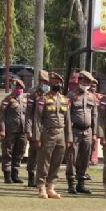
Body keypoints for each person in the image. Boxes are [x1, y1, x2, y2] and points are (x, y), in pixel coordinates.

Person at [33, 71, 70, 199]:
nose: (57, 84)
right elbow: (37, 119)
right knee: (44, 161)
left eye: (59, 82)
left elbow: (68, 120)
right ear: (50, 83)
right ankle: (41, 187)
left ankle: (51, 187)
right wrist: (37, 137)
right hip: (48, 133)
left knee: (57, 161)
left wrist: (69, 138)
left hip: (61, 134)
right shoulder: (43, 99)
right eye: (55, 82)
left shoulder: (64, 100)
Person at [66, 70, 98, 195]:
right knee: (72, 158)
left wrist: (95, 133)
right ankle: (71, 184)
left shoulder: (92, 97)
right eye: (84, 81)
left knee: (85, 158)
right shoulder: (71, 96)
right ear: (79, 81)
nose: (86, 83)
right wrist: (68, 134)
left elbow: (94, 115)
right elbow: (67, 117)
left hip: (88, 131)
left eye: (88, 82)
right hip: (75, 130)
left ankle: (81, 184)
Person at [24, 71, 49, 188]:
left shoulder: (51, 93)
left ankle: (43, 178)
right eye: (44, 81)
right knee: (33, 153)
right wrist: (28, 130)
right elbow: (28, 114)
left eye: (47, 82)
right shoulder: (33, 93)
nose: (45, 84)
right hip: (35, 128)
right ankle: (31, 177)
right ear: (40, 81)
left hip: (48, 128)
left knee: (46, 154)